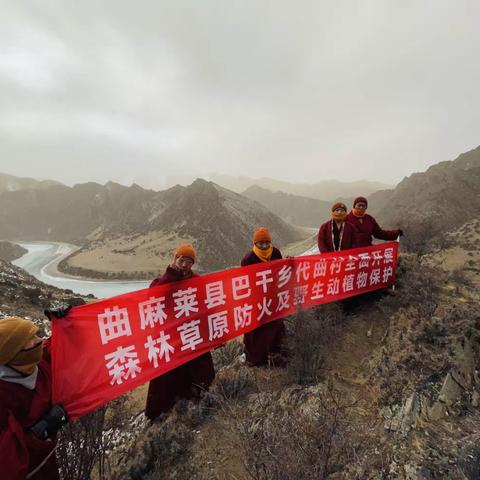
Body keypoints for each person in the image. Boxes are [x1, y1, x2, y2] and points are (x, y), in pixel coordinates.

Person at [145, 244, 215, 421]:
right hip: (171, 338)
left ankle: (199, 403)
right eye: (181, 260)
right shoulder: (162, 280)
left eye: (189, 262)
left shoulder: (197, 281)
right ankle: (160, 415)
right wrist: (172, 275)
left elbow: (207, 306)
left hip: (192, 335)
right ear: (174, 259)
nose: (184, 265)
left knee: (199, 373)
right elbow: (153, 296)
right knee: (166, 380)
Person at [0, 315, 69, 480]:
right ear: (14, 352)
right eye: (30, 339)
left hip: (48, 466)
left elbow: (56, 348)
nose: (39, 341)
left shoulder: (36, 364)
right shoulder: (4, 396)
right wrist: (40, 432)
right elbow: (7, 465)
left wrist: (66, 323)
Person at [241, 227, 286, 367]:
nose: (265, 246)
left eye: (267, 242)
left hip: (273, 297)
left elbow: (281, 272)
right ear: (255, 243)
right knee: (256, 330)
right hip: (257, 300)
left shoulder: (276, 253)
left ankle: (276, 354)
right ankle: (255, 359)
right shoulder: (248, 259)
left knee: (275, 326)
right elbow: (246, 281)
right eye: (261, 243)